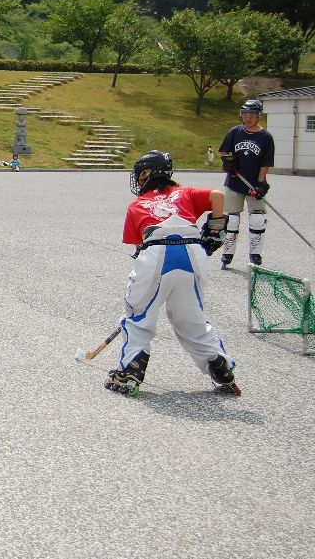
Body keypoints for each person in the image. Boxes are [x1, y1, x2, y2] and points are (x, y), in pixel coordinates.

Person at [105, 150, 239, 397]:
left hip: (156, 250)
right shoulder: (184, 192)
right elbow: (218, 196)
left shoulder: (137, 204)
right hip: (192, 250)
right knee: (191, 318)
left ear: (146, 174)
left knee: (139, 314)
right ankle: (220, 366)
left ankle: (130, 370)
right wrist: (216, 228)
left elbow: (138, 246)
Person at [218, 99, 275, 268]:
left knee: (257, 218)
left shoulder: (266, 137)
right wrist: (228, 161)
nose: (247, 118)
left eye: (251, 115)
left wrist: (259, 185)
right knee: (232, 220)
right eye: (245, 115)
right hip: (234, 182)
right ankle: (227, 254)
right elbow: (223, 150)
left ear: (258, 116)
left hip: (254, 184)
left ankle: (255, 255)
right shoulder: (235, 132)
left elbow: (265, 163)